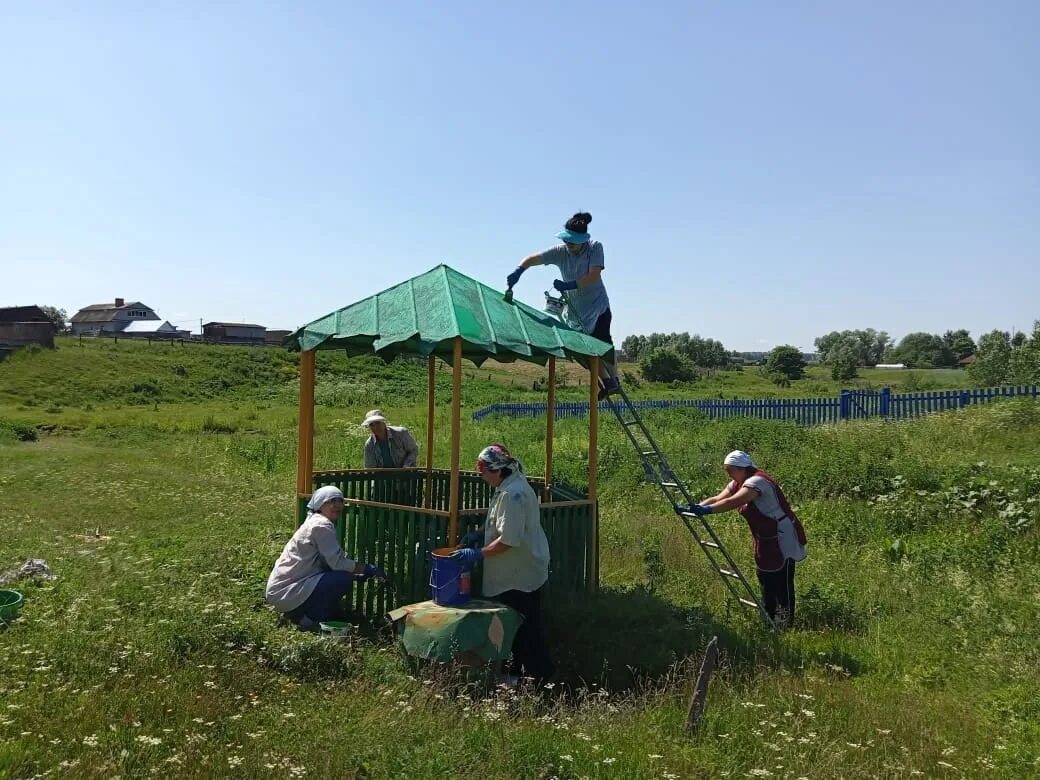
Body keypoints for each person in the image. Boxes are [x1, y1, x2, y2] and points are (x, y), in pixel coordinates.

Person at [450, 444, 554, 682]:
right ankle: (534, 673)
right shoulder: (509, 486)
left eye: (483, 472)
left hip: (518, 573)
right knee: (525, 624)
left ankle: (528, 678)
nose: (482, 477)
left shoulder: (511, 495)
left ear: (495, 470)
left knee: (520, 627)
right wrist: (480, 534)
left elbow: (508, 541)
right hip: (521, 569)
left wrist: (476, 554)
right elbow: (501, 526)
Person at [683, 451, 807, 628]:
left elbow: (732, 502)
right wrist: (695, 507)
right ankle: (769, 619)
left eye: (730, 470)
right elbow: (719, 498)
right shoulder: (737, 482)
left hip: (781, 534)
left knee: (782, 580)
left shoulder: (757, 482)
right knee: (764, 577)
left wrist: (707, 511)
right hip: (764, 536)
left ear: (742, 469)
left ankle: (785, 623)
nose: (729, 474)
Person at [506, 211, 620, 399]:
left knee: (603, 344)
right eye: (567, 241)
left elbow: (594, 276)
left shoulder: (595, 248)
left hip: (597, 306)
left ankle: (613, 380)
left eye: (572, 242)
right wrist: (519, 270)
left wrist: (570, 285)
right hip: (576, 310)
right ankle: (607, 381)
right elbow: (534, 258)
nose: (568, 245)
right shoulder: (560, 252)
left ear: (583, 240)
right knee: (585, 348)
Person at [266, 486, 386, 631]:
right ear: (320, 505)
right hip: (286, 591)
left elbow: (326, 564)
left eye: (340, 501)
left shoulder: (315, 521)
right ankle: (308, 621)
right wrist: (366, 568)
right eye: (330, 501)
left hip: (283, 590)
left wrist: (355, 573)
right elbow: (337, 563)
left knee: (342, 582)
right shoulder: (321, 525)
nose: (336, 505)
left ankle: (300, 614)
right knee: (342, 580)